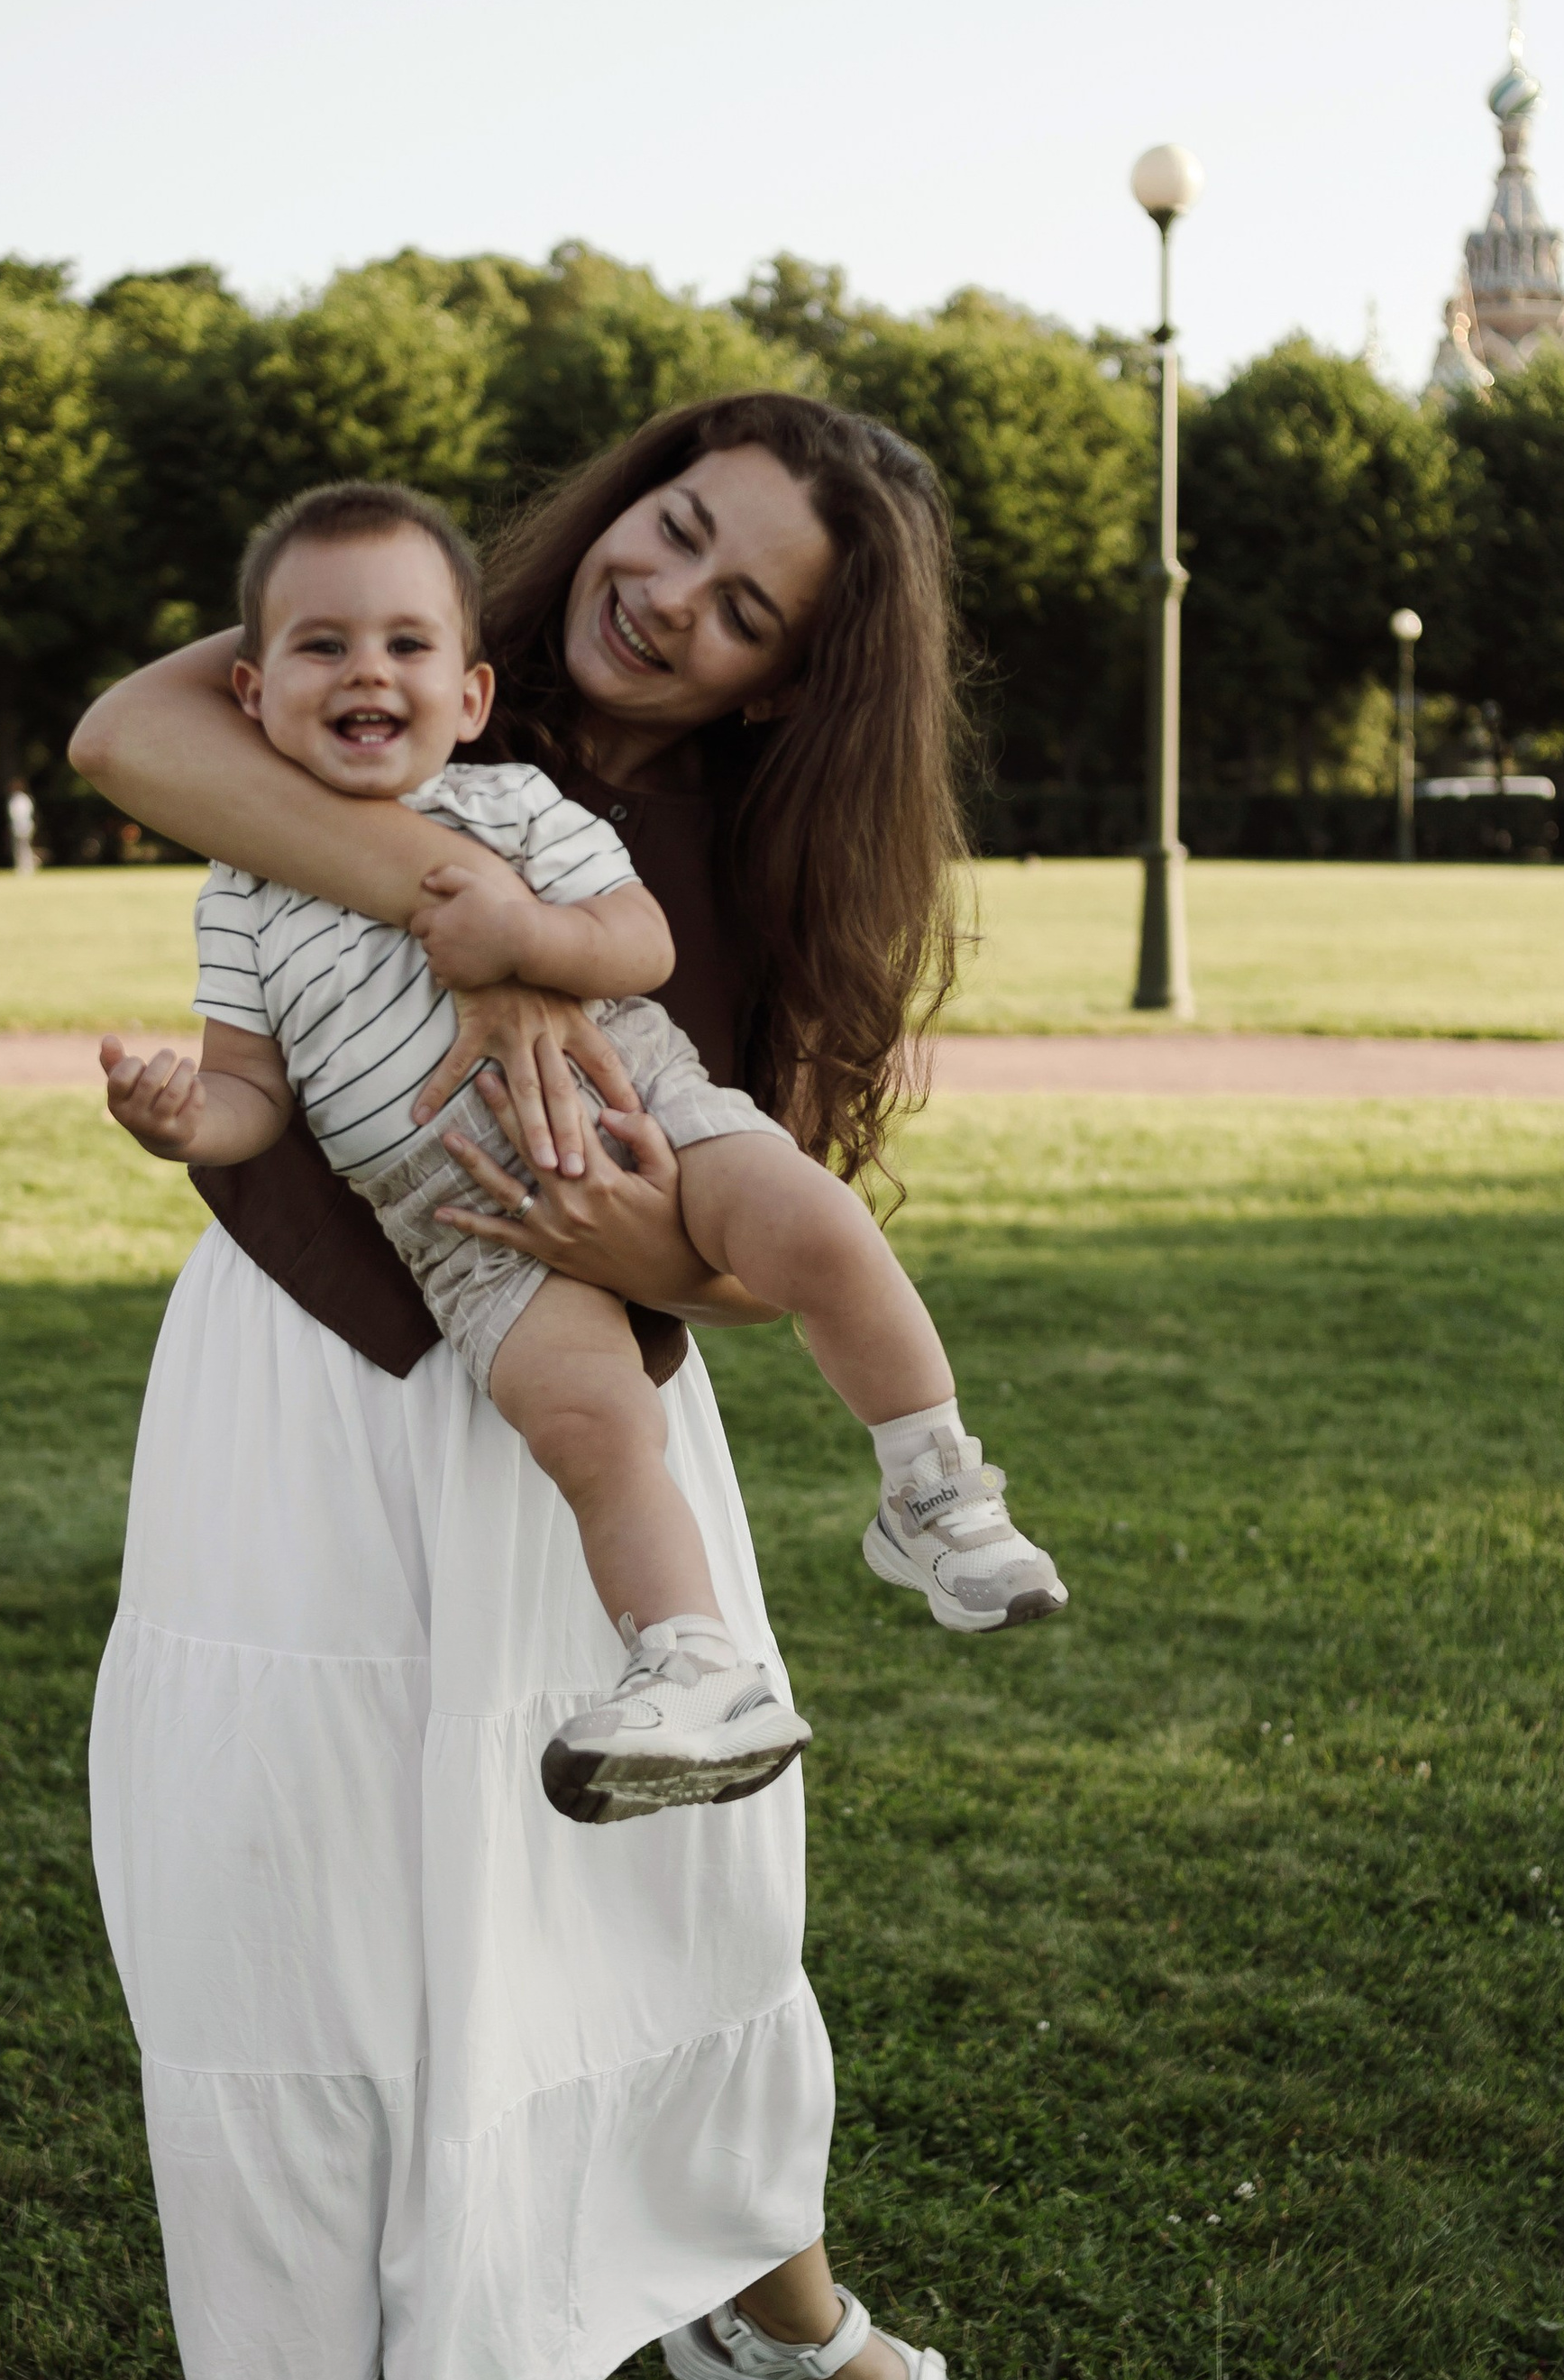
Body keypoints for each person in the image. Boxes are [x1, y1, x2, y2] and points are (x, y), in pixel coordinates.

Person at [72, 394, 999, 2380]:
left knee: (685, 1890)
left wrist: (618, 1190)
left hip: (583, 1417)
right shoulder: (398, 645)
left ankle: (764, 2306)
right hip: (307, 1384)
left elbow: (759, 1244)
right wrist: (457, 917)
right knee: (287, 1922)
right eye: (668, 531)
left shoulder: (761, 865)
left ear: (792, 678)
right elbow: (129, 736)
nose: (665, 599)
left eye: (741, 606)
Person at [101, 481, 1063, 1831]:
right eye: (323, 648)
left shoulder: (515, 805)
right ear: (250, 696)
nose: (368, 671)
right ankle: (694, 1662)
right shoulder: (242, 883)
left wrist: (523, 940)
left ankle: (932, 1482)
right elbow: (251, 1091)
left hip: (650, 1112)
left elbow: (638, 942)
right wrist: (182, 1117)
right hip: (462, 1235)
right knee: (593, 1429)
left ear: (470, 697)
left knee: (817, 1223)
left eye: (405, 646)